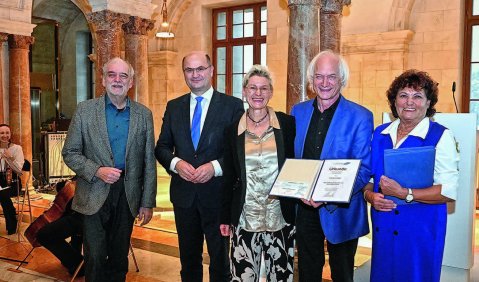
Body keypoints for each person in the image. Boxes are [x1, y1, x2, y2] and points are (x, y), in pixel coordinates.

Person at [62, 57, 157, 282]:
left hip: (128, 194)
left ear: (131, 82)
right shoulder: (85, 111)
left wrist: (147, 201)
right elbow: (70, 152)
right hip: (93, 192)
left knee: (118, 257)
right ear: (103, 80)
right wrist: (96, 170)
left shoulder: (144, 115)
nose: (117, 80)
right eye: (112, 75)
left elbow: (148, 161)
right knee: (94, 256)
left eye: (123, 76)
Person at [155, 51, 244, 282]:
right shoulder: (174, 107)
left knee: (220, 262)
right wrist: (176, 163)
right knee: (189, 262)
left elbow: (239, 152)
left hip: (218, 196)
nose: (195, 75)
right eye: (189, 70)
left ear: (211, 70)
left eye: (200, 69)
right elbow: (162, 147)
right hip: (184, 197)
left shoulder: (232, 106)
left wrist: (214, 167)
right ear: (184, 73)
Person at [363, 70, 459, 282]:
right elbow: (369, 179)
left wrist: (404, 193)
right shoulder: (380, 134)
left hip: (420, 229)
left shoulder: (440, 136)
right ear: (394, 101)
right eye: (403, 95)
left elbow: (449, 191)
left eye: (418, 96)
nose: (409, 102)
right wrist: (370, 196)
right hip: (384, 226)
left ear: (428, 103)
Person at [291, 50, 373, 282]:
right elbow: (294, 159)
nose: (324, 83)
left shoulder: (360, 116)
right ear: (311, 80)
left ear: (342, 79)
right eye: (319, 76)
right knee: (307, 271)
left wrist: (326, 196)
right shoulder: (298, 112)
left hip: (342, 211)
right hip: (305, 207)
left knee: (343, 274)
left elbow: (364, 168)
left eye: (331, 77)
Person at [220, 65, 296, 281]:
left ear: (271, 92)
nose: (258, 93)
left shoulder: (287, 125)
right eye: (252, 88)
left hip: (280, 218)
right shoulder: (232, 130)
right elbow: (228, 177)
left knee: (281, 278)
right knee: (243, 278)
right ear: (244, 91)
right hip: (245, 219)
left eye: (264, 88)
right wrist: (225, 217)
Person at [36, 179, 84, 277]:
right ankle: (75, 258)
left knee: (43, 234)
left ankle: (78, 263)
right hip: (83, 210)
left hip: (87, 215)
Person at [0, 123, 24, 235]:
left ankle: (11, 222)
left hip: (13, 183)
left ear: (10, 134)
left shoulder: (17, 148)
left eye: (7, 132)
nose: (4, 135)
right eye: (1, 133)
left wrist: (10, 158)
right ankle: (11, 217)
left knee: (2, 194)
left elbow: (19, 171)